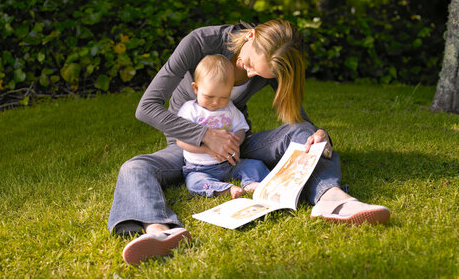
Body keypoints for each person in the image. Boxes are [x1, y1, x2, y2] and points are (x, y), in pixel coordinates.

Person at [109, 19, 390, 265]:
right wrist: (204, 136)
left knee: (303, 133)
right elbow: (146, 107)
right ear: (251, 35)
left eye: (261, 75)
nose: (251, 75)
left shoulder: (268, 64)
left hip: (237, 146)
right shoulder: (200, 42)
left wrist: (319, 134)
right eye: (253, 65)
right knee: (135, 167)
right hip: (185, 148)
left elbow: (300, 120)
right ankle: (160, 230)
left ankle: (332, 199)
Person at [177, 54, 270, 199]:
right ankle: (225, 189)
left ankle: (250, 183)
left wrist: (235, 142)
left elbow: (241, 129)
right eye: (209, 96)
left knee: (255, 165)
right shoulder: (190, 110)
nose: (215, 103)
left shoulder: (229, 109)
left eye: (224, 97)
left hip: (230, 164)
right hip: (199, 167)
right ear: (196, 88)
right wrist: (206, 149)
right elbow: (181, 141)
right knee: (194, 183)